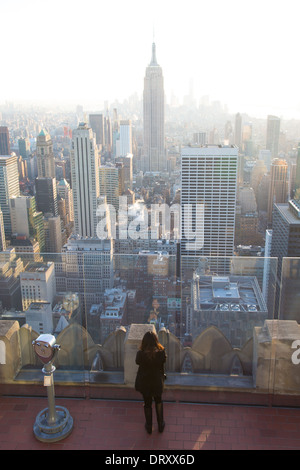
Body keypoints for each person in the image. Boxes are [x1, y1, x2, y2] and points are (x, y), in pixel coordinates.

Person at [135, 331, 166, 434]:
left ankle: (149, 426)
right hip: (157, 382)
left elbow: (137, 362)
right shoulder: (161, 353)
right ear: (156, 341)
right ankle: (160, 424)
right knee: (158, 401)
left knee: (147, 404)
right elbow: (162, 367)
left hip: (145, 383)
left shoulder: (140, 354)